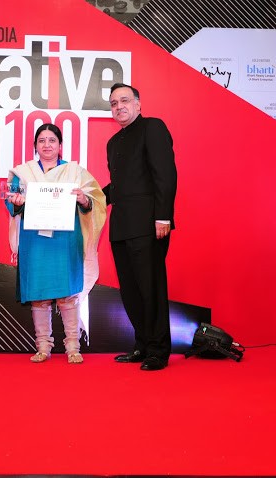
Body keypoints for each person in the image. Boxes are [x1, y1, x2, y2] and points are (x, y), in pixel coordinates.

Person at [5, 123, 106, 364]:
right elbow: (10, 202)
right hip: (34, 240)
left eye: (52, 140)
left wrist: (84, 199)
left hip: (65, 240)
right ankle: (43, 346)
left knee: (67, 294)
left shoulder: (75, 172)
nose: (47, 145)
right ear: (35, 146)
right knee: (38, 294)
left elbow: (94, 201)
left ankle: (73, 347)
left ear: (60, 145)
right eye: (42, 141)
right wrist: (16, 202)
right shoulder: (23, 173)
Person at [103, 83, 177, 371]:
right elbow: (117, 187)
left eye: (124, 100)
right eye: (113, 103)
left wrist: (163, 217)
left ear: (137, 104)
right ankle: (142, 345)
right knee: (131, 292)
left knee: (151, 289)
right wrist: (88, 197)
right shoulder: (113, 143)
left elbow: (165, 174)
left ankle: (158, 350)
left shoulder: (152, 128)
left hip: (148, 225)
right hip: (121, 227)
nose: (119, 106)